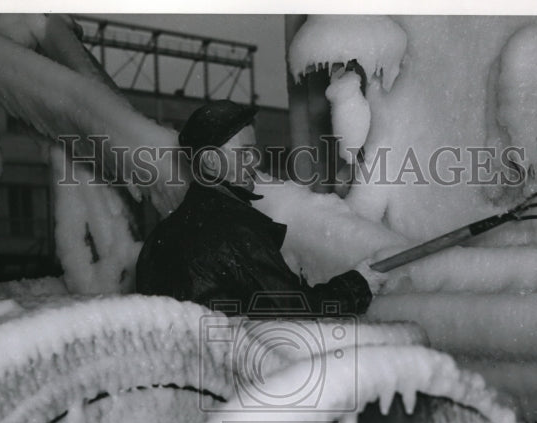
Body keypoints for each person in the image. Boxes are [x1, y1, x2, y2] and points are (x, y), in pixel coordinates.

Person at [135, 100, 387, 316]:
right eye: (244, 153)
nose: (255, 161)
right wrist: (359, 285)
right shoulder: (232, 229)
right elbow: (297, 310)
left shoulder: (160, 237)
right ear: (211, 162)